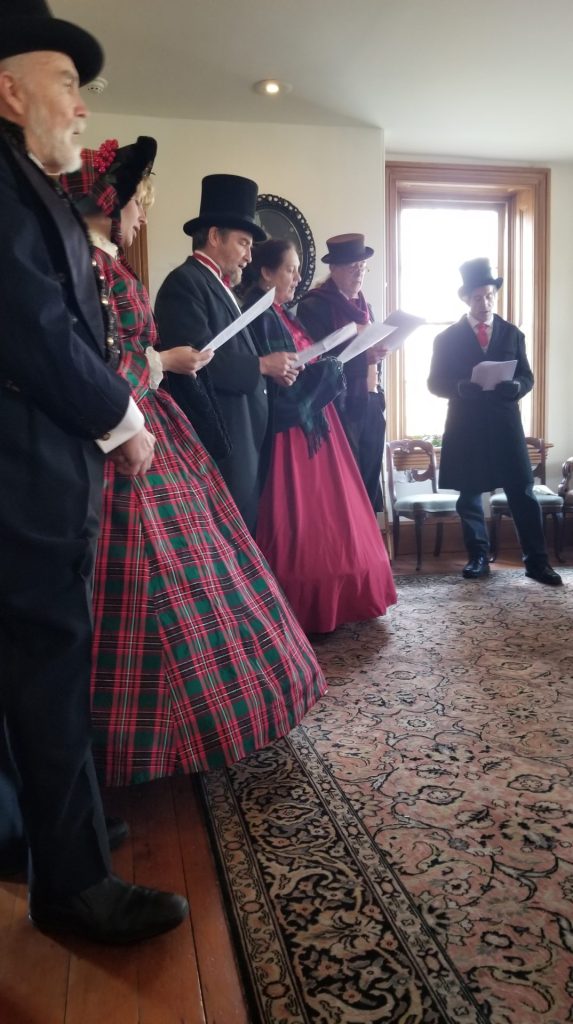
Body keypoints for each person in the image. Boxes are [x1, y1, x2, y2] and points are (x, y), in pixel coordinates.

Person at [0, 0, 188, 942]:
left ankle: (40, 831)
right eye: (68, 84)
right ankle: (70, 883)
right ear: (9, 90)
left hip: (31, 464)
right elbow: (34, 327)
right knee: (46, 667)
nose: (81, 107)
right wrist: (122, 418)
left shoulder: (23, 183)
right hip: (22, 473)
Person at [61, 142, 328, 785]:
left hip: (169, 426)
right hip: (147, 431)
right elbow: (108, 359)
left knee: (212, 569)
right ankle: (154, 735)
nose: (140, 216)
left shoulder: (134, 270)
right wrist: (163, 363)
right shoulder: (162, 279)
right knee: (166, 587)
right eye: (136, 204)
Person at [243, 239, 397, 634]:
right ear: (266, 273)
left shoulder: (283, 312)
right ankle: (308, 608)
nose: (298, 277)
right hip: (295, 431)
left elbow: (305, 356)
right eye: (290, 269)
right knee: (305, 524)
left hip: (318, 419)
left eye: (298, 268)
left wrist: (329, 363)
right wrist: (327, 369)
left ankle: (344, 601)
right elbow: (279, 378)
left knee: (341, 519)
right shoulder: (265, 313)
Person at [155, 174, 300, 534]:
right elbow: (194, 363)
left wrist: (271, 370)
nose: (249, 256)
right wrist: (261, 365)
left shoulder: (221, 288)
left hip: (244, 441)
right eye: (243, 243)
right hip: (223, 446)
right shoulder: (185, 283)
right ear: (215, 236)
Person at [427, 257, 562, 586]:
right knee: (470, 495)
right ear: (465, 298)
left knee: (523, 493)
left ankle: (537, 562)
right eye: (478, 297)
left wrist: (517, 387)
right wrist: (460, 387)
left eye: (489, 296)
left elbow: (527, 377)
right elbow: (434, 383)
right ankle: (477, 558)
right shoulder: (446, 338)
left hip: (505, 425)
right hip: (466, 425)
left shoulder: (512, 333)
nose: (485, 303)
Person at [297, 233, 386, 511]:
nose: (359, 272)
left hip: (370, 400)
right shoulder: (315, 305)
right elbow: (317, 361)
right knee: (346, 486)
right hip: (339, 406)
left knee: (369, 479)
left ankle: (370, 537)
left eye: (362, 266)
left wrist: (379, 355)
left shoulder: (365, 307)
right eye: (352, 267)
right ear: (334, 268)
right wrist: (363, 358)